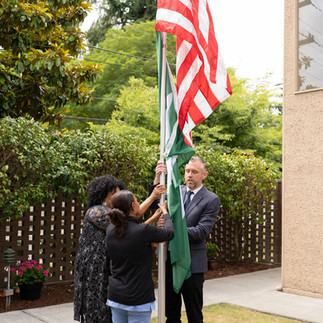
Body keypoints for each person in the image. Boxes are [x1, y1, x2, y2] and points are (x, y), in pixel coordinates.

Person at [74, 175, 166, 323]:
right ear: (106, 193)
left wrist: (153, 220)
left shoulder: (111, 214)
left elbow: (133, 231)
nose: (119, 195)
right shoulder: (96, 212)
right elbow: (133, 218)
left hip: (109, 264)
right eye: (116, 192)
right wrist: (152, 197)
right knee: (98, 308)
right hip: (95, 267)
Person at [150, 156, 220, 323]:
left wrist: (170, 230)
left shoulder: (211, 199)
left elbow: (201, 231)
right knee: (171, 314)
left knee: (194, 315)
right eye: (187, 171)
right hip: (170, 261)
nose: (189, 175)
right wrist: (157, 176)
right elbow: (155, 203)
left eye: (194, 172)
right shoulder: (176, 191)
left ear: (204, 175)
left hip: (192, 265)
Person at [106, 190, 174, 323]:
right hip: (138, 298)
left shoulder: (110, 229)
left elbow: (135, 230)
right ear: (133, 206)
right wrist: (165, 213)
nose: (138, 203)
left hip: (116, 297)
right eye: (137, 201)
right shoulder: (142, 231)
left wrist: (154, 217)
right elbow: (169, 233)